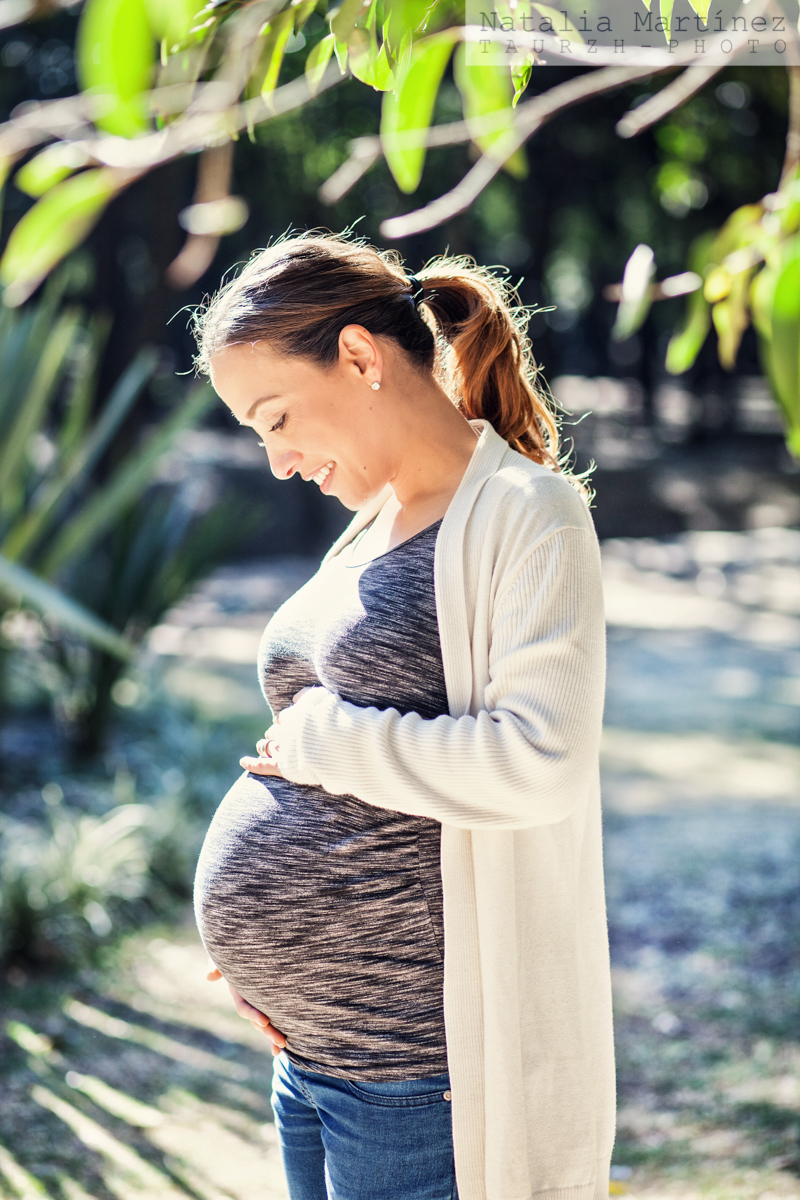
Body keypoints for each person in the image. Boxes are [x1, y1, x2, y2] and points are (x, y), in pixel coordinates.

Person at [192, 232, 615, 1200]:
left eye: (277, 417)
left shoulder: (527, 512)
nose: (277, 459)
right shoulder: (374, 520)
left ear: (356, 355)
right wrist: (272, 959)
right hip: (316, 1056)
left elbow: (536, 762)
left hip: (421, 1077)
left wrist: (315, 741)